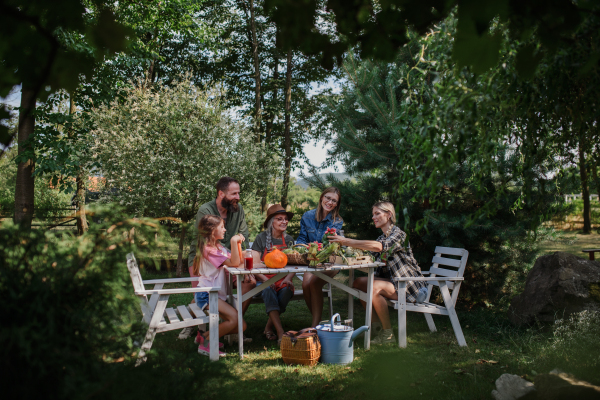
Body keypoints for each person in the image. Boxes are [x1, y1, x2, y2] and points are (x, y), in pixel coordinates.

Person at [328, 201, 428, 344]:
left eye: (377, 213)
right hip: (394, 282)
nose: (373, 217)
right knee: (358, 283)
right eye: (373, 214)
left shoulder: (399, 234)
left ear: (389, 215)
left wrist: (347, 241)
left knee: (374, 287)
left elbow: (379, 247)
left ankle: (388, 334)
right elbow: (371, 254)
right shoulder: (382, 237)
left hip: (410, 286)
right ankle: (375, 328)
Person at [181, 177, 256, 341]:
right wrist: (232, 247)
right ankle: (191, 325)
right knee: (199, 294)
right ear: (221, 194)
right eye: (234, 193)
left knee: (249, 283)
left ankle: (231, 324)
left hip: (224, 257)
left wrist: (242, 264)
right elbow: (204, 240)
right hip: (202, 259)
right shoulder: (205, 210)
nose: (238, 197)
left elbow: (244, 235)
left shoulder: (238, 209)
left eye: (239, 193)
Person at [191, 214, 247, 357]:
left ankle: (205, 336)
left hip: (214, 295)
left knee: (242, 326)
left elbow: (237, 260)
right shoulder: (209, 250)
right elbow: (234, 264)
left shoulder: (218, 247)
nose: (225, 230)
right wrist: (234, 241)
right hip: (207, 294)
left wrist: (238, 244)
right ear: (212, 231)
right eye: (221, 227)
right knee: (234, 319)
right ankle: (207, 344)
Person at [296, 187, 344, 327]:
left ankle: (315, 326)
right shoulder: (307, 216)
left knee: (314, 283)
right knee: (305, 285)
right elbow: (302, 239)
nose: (330, 202)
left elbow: (329, 245)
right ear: (322, 198)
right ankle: (320, 324)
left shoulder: (337, 221)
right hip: (312, 260)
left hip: (330, 261)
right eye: (328, 198)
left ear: (337, 204)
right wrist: (300, 247)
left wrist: (316, 247)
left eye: (334, 201)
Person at [250, 204, 296, 344]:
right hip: (262, 280)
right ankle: (280, 331)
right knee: (268, 289)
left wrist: (288, 278)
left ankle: (268, 327)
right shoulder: (261, 238)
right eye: (279, 219)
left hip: (282, 280)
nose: (284, 222)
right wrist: (266, 280)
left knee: (287, 290)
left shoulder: (289, 240)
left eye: (286, 219)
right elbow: (255, 265)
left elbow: (293, 265)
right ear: (272, 222)